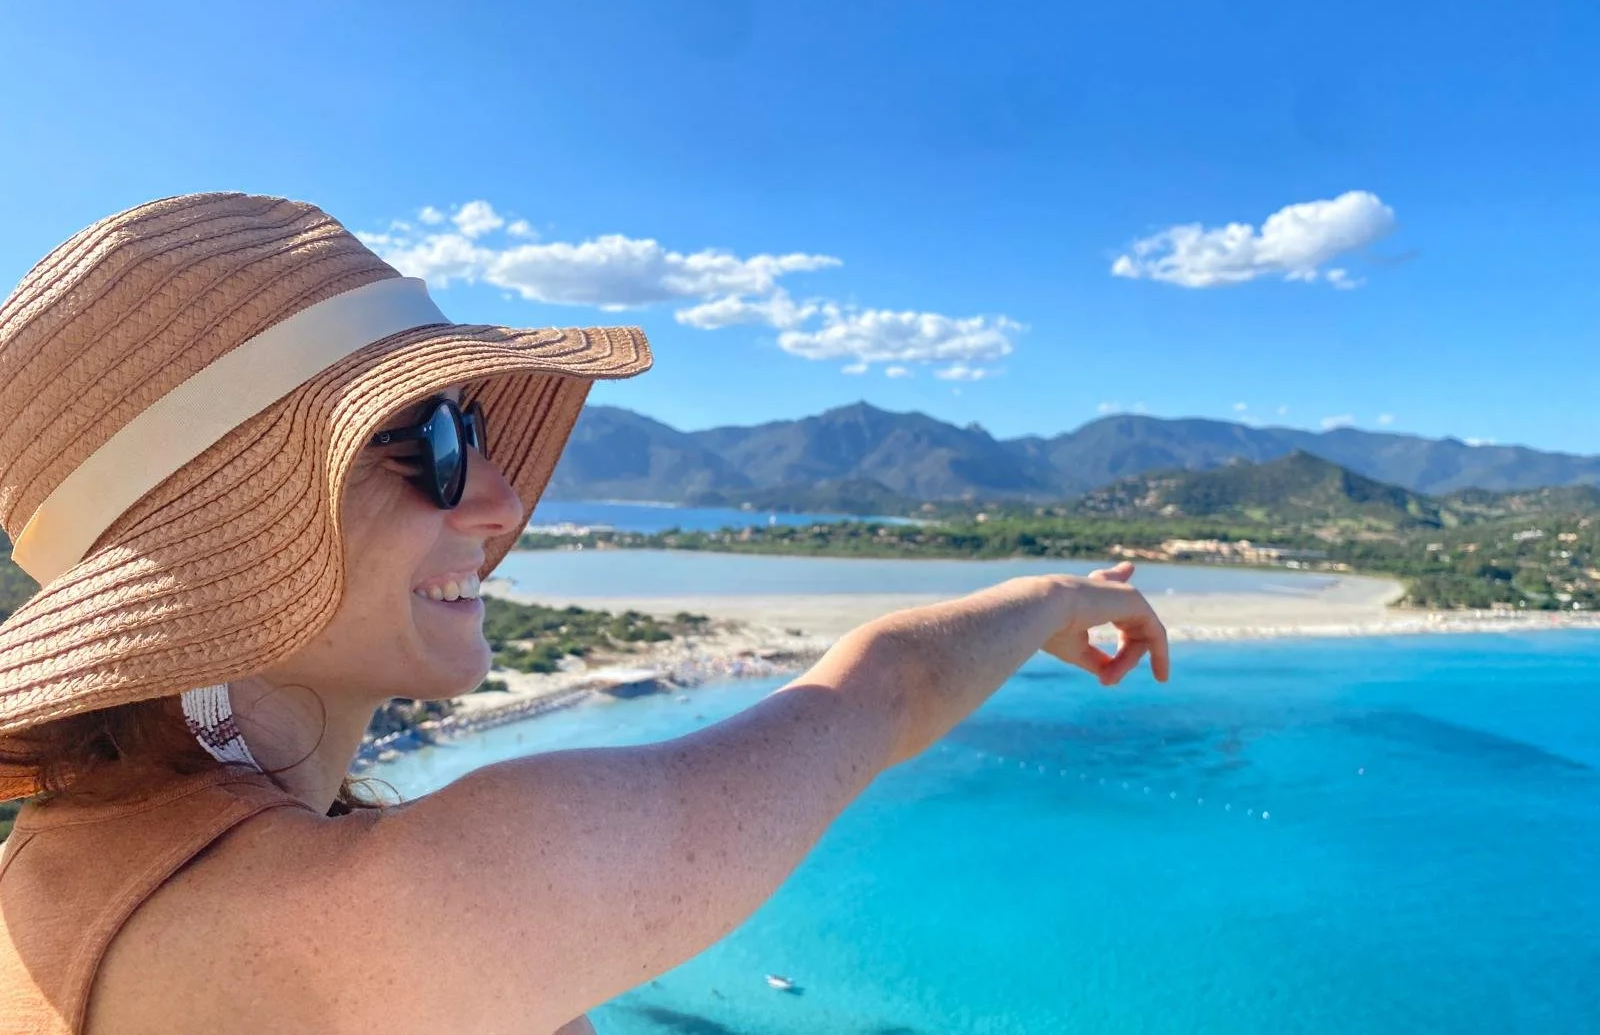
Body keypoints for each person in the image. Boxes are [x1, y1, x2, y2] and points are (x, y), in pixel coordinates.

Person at [0, 194, 1169, 1035]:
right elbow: (883, 692)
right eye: (432, 441)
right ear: (238, 531)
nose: (503, 502)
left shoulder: (53, 874)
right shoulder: (400, 916)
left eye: (477, 428)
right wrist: (1051, 596)